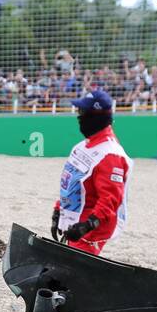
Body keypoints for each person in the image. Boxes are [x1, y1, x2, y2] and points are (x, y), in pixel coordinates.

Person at [51, 89, 131, 257]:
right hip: (76, 222)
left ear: (96, 117)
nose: (79, 117)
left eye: (82, 112)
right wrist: (58, 210)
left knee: (72, 273)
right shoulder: (82, 146)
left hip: (91, 229)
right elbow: (71, 183)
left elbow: (110, 200)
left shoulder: (110, 155)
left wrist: (87, 226)